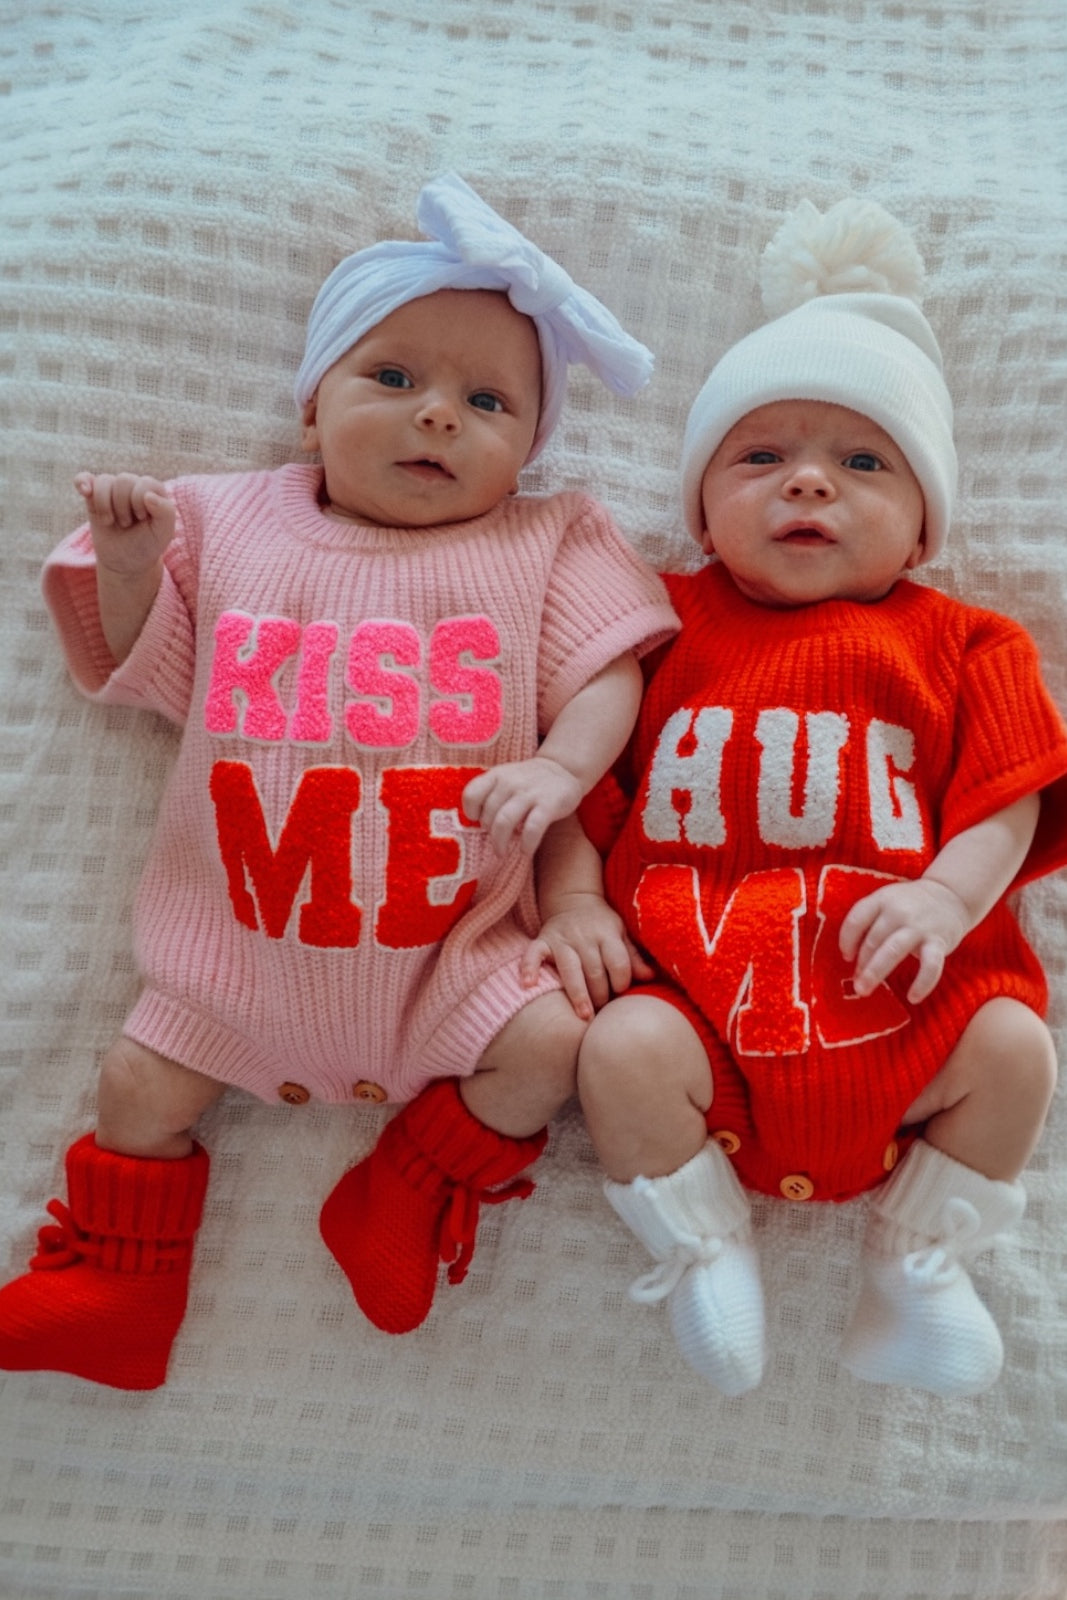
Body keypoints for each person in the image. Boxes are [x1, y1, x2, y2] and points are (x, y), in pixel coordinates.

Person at [0, 173, 677, 1390]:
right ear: (312, 410)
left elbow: (610, 667)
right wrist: (135, 562)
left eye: (487, 401)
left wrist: (559, 765)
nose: (437, 418)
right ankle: (117, 1286)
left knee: (552, 1049)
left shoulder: (543, 539)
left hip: (452, 960)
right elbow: (144, 670)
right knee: (136, 1083)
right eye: (393, 380)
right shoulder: (232, 521)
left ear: (529, 451)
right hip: (237, 957)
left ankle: (407, 1188)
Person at [528, 197, 1067, 1399]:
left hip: (908, 1016)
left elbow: (1011, 795)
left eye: (860, 463)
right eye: (759, 456)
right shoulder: (656, 626)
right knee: (614, 1049)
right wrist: (570, 901)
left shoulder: (964, 643)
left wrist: (942, 896)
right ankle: (701, 1251)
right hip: (698, 1019)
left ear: (922, 526)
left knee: (1017, 1050)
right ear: (702, 505)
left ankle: (916, 1266)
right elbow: (582, 776)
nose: (808, 483)